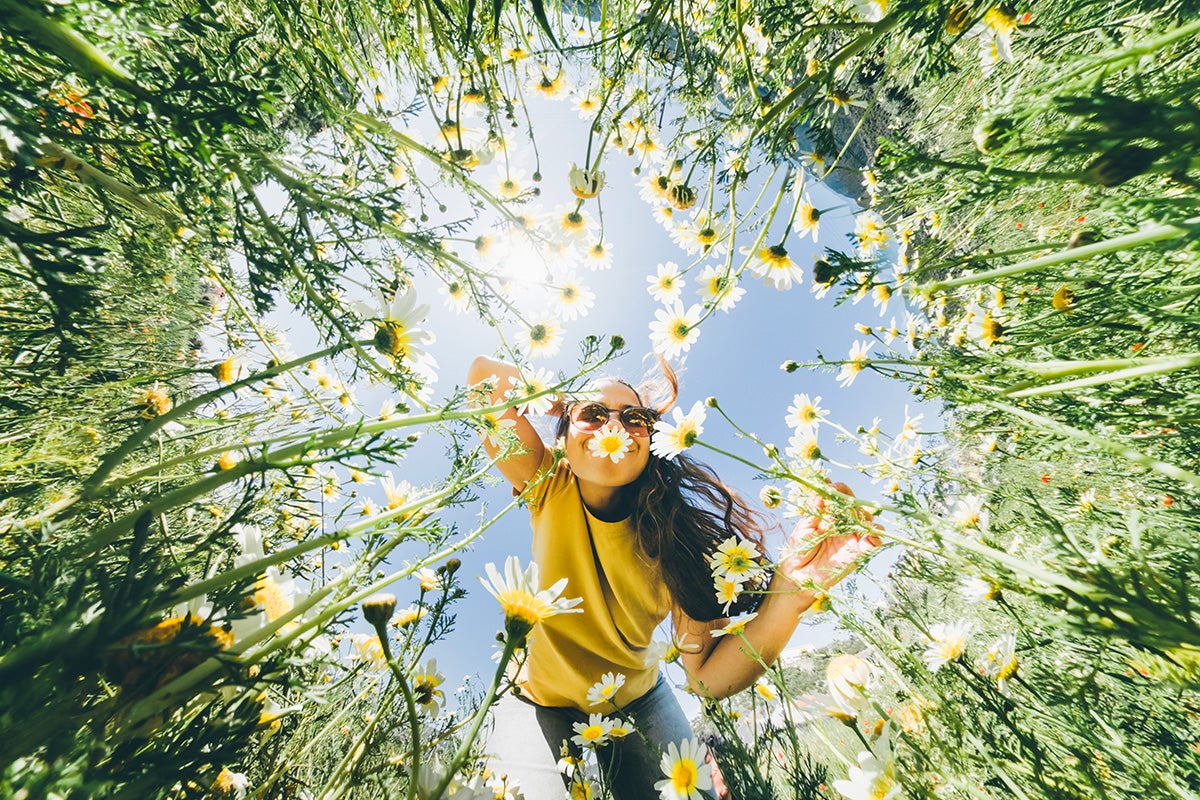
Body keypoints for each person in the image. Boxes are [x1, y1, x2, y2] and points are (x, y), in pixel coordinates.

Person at [467, 355, 881, 800]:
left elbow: (706, 677)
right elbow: (480, 379)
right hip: (535, 696)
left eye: (634, 419)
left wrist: (790, 595)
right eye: (593, 415)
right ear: (563, 433)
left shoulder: (678, 538)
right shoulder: (546, 482)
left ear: (653, 442)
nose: (614, 428)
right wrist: (551, 394)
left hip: (636, 700)